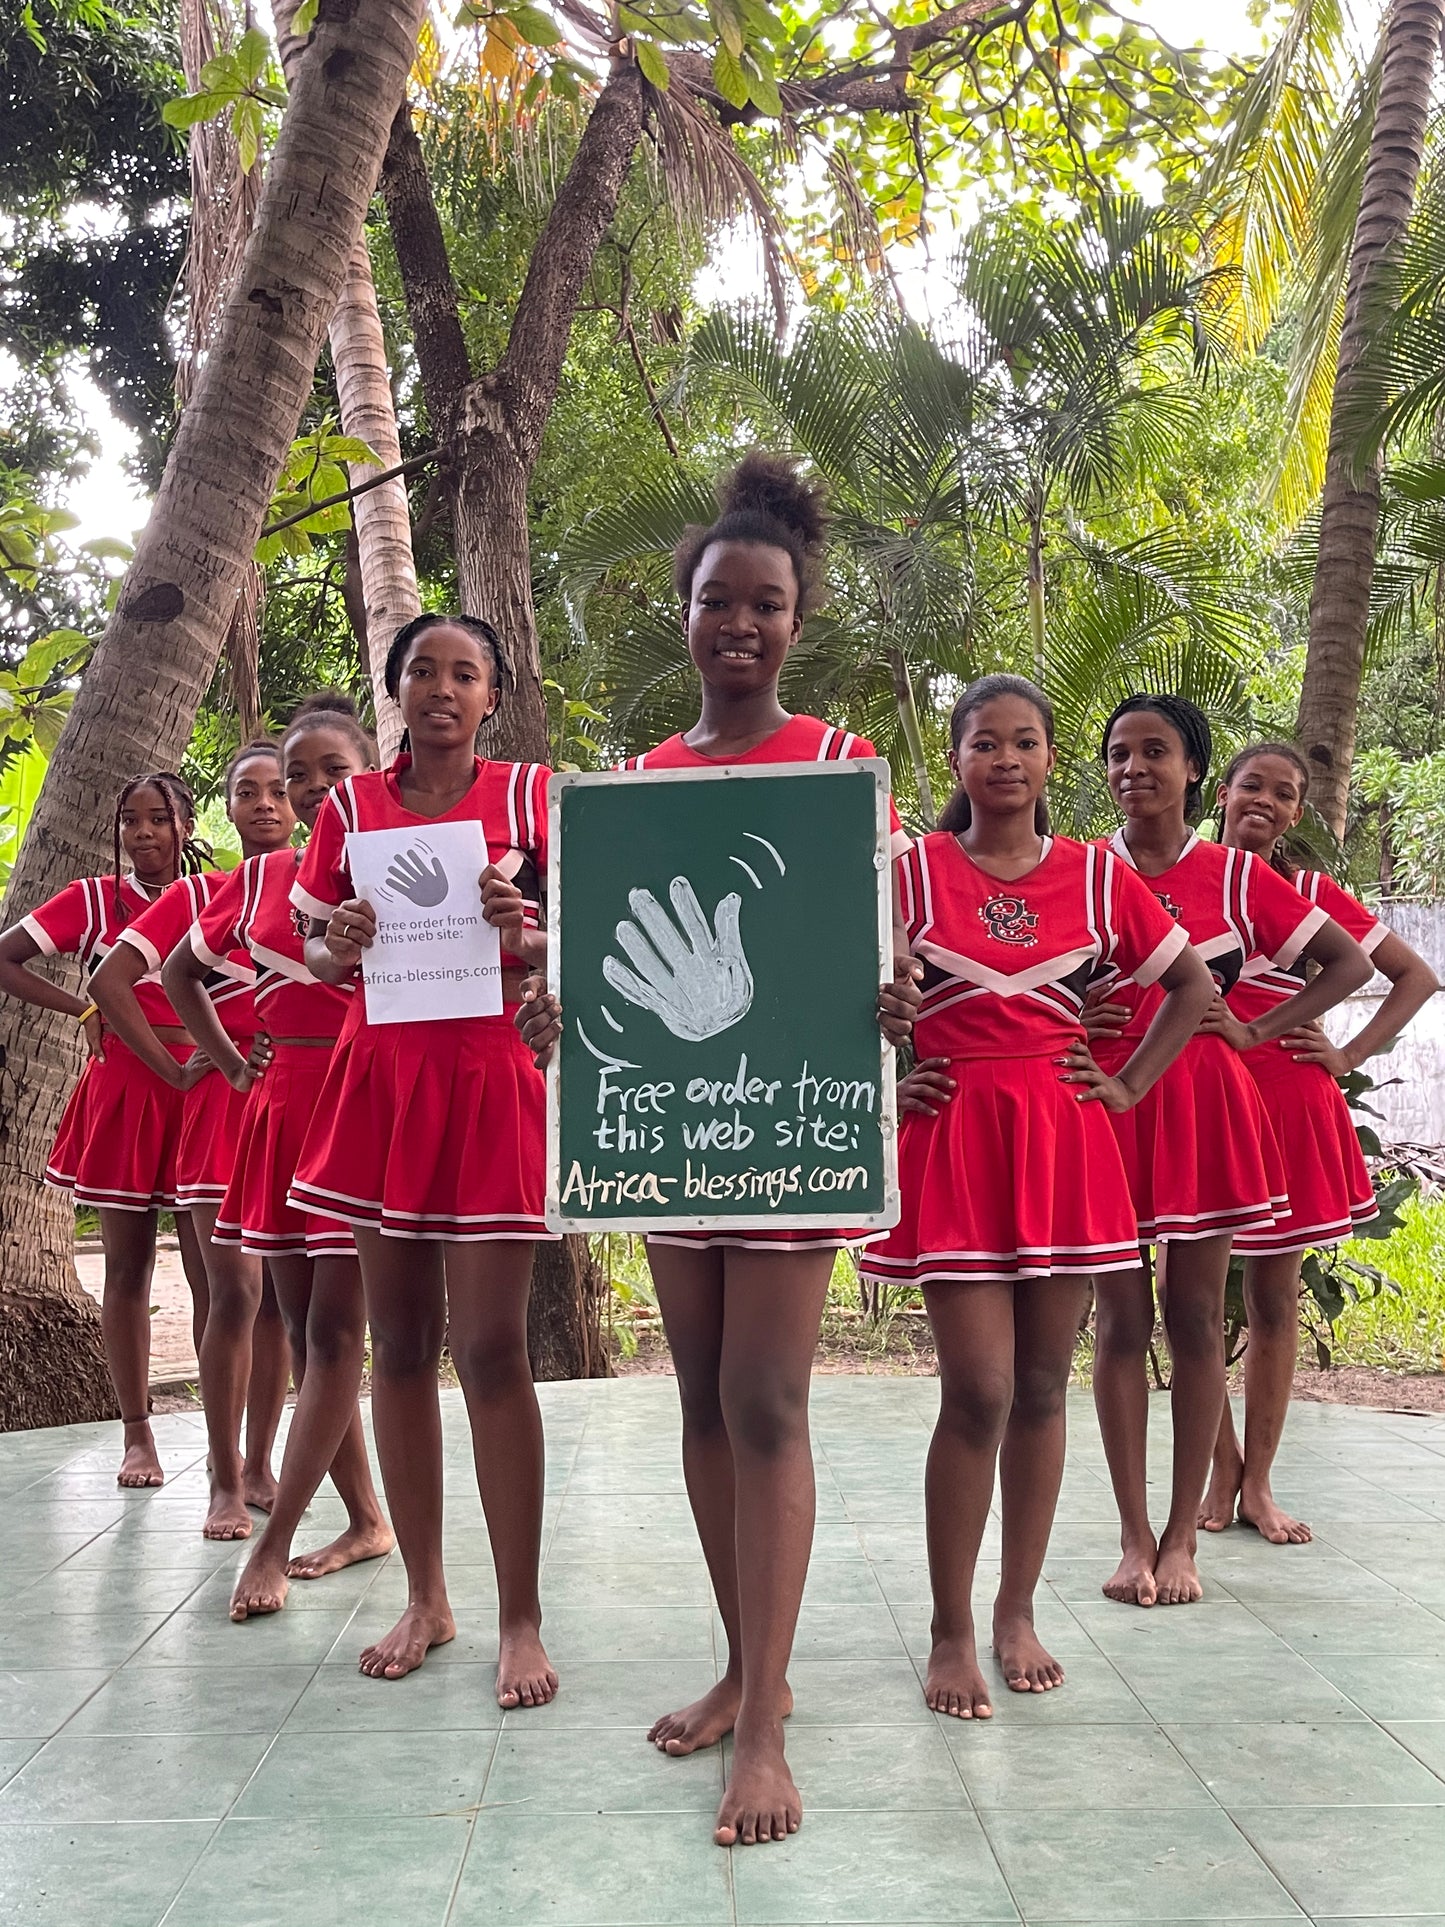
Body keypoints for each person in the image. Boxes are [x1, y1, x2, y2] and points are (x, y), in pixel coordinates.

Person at [518, 453, 921, 1848]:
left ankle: (761, 1726)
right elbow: (598, 979)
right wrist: (554, 1010)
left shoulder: (839, 772)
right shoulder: (631, 788)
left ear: (795, 622)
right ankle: (750, 1663)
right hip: (677, 1130)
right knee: (698, 1398)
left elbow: (886, 947)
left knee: (765, 1399)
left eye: (764, 604)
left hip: (793, 1127)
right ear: (680, 610)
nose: (737, 623)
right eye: (715, 600)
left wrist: (892, 994)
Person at [859, 676, 1213, 1719]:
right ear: (957, 761)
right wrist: (886, 1073)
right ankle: (950, 1627)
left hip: (1061, 1144)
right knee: (974, 1388)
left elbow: (1189, 986)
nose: (1003, 759)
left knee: (1044, 1385)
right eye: (982, 743)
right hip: (954, 1139)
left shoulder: (1096, 880)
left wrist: (1125, 1084)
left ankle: (1016, 1610)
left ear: (1049, 760)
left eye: (1023, 742)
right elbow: (831, 994)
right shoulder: (906, 874)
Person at [288, 614, 558, 1708]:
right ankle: (427, 1592)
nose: (441, 688)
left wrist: (525, 929)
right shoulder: (352, 805)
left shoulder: (534, 796)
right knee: (396, 1344)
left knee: (491, 1347)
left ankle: (521, 1615)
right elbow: (310, 949)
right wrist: (337, 940)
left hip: (490, 1074)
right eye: (421, 671)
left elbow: (574, 937)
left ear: (492, 694)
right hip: (383, 1081)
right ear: (394, 688)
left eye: (464, 673)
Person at [1086, 695, 1372, 1607]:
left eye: (1156, 751)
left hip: (1203, 1104)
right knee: (1119, 1322)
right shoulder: (1081, 869)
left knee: (1196, 1314)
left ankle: (1182, 1541)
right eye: (1119, 752)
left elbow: (1349, 964)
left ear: (1193, 770)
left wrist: (1257, 1034)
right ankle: (1132, 1537)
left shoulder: (1237, 878)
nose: (1135, 767)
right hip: (1107, 1102)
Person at [161, 694, 393, 1614]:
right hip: (282, 1105)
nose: (309, 789)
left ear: (368, 770)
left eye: (333, 770)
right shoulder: (264, 881)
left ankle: (279, 1537)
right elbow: (178, 972)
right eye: (298, 776)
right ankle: (370, 1519)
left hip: (359, 1102)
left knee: (336, 1333)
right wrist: (229, 1060)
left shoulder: (405, 864)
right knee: (303, 1335)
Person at [1197, 740, 1440, 1542]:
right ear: (1222, 793)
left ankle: (1258, 1482)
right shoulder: (1186, 881)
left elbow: (1414, 977)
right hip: (1195, 1103)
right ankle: (1216, 1467)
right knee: (1188, 1305)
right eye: (1250, 785)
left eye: (1282, 793)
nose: (1262, 801)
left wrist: (1346, 1054)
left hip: (1289, 1106)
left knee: (1272, 1301)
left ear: (1297, 812)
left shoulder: (1308, 891)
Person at [92, 742, 298, 1534]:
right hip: (224, 1108)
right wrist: (202, 1062)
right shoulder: (200, 895)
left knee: (282, 1299)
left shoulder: (323, 886)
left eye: (279, 790)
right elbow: (111, 981)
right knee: (237, 1291)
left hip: (300, 1108)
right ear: (227, 808)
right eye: (246, 791)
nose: (265, 804)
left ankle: (260, 1462)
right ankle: (219, 1477)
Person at [0, 773, 212, 1486]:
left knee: (215, 1271)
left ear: (187, 825)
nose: (143, 833)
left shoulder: (216, 896)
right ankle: (138, 1434)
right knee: (127, 1268)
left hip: (207, 1089)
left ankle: (227, 1435)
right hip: (126, 1089)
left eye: (159, 818)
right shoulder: (93, 900)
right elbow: (5, 957)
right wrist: (82, 1008)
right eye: (131, 820)